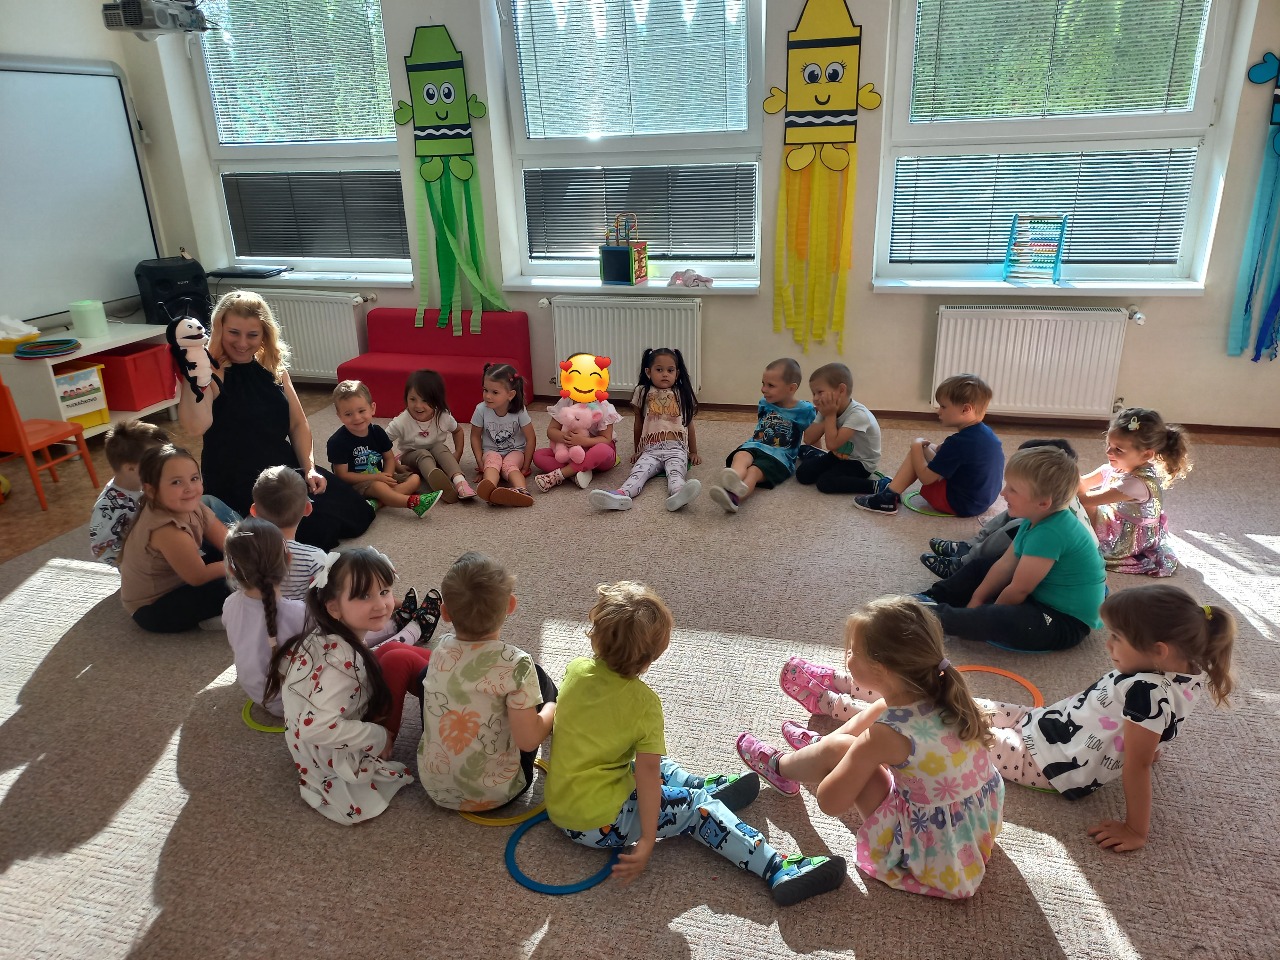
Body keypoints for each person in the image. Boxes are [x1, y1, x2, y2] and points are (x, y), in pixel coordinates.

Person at [787, 585, 1235, 854]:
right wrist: (1147, 745)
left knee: (928, 715)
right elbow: (1157, 729)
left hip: (1047, 763)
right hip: (1050, 724)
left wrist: (1136, 828)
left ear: (1158, 651)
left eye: (1116, 638)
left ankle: (831, 701)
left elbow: (1138, 763)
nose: (1108, 644)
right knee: (951, 696)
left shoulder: (1147, 692)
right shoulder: (1185, 671)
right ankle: (845, 683)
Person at [544, 581, 846, 906]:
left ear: (595, 634)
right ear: (650, 658)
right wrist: (647, 838)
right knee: (695, 806)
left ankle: (695, 783)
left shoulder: (575, 670)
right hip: (601, 822)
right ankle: (775, 868)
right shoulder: (644, 705)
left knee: (643, 758)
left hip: (560, 806)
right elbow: (647, 776)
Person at [739, 596, 1005, 900]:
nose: (847, 656)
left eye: (853, 651)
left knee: (842, 748)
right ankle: (816, 750)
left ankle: (781, 768)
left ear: (880, 669)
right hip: (973, 825)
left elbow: (829, 802)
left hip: (931, 853)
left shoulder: (884, 736)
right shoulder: (943, 693)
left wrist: (846, 758)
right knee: (867, 721)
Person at [178, 290, 374, 551]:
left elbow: (298, 424)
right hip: (235, 476)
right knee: (305, 532)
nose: (242, 343)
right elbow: (195, 426)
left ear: (264, 334)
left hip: (281, 466)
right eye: (234, 332)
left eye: (252, 335)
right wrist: (192, 378)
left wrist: (309, 468)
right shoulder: (210, 372)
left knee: (354, 511)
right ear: (219, 328)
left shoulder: (273, 367)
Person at [263, 548, 433, 825]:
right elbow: (315, 727)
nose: (381, 605)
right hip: (333, 755)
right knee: (396, 658)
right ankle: (458, 670)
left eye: (384, 591)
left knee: (392, 651)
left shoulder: (328, 637)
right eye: (364, 596)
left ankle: (454, 661)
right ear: (334, 607)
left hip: (322, 735)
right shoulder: (339, 664)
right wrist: (378, 736)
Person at [222, 519, 433, 717]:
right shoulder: (300, 613)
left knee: (357, 630)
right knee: (378, 651)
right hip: (303, 700)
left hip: (261, 695)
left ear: (232, 569)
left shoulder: (229, 605)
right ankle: (412, 628)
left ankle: (400, 624)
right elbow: (347, 644)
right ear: (288, 559)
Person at [918, 446, 1106, 653]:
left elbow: (1019, 589)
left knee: (1000, 617)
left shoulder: (1051, 533)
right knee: (981, 566)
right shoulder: (1035, 518)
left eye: (1013, 490)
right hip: (1039, 592)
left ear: (1043, 503)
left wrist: (984, 615)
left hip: (1064, 620)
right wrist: (976, 600)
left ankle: (924, 617)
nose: (1003, 492)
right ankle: (930, 598)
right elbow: (1004, 566)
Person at [417, 552, 558, 811]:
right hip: (499, 793)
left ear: (445, 613)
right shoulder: (517, 663)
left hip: (436, 786)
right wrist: (551, 709)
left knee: (425, 676)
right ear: (511, 605)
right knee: (538, 678)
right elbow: (528, 742)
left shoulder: (441, 648)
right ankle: (553, 699)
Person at [920, 439, 1090, 578]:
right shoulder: (1055, 494)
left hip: (1055, 567)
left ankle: (962, 564)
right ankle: (970, 545)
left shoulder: (1057, 513)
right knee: (1011, 512)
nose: (1003, 492)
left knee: (1015, 527)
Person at [854, 373, 1003, 517]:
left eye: (944, 406)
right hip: (982, 501)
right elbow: (955, 457)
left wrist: (915, 447)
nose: (939, 411)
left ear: (965, 409)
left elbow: (926, 478)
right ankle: (892, 491)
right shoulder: (986, 434)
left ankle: (887, 497)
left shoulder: (957, 443)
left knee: (917, 451)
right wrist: (930, 448)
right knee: (927, 447)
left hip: (959, 504)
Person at [90, 419, 237, 565]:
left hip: (177, 532)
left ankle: (242, 545)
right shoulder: (108, 507)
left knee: (206, 503)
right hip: (153, 559)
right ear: (130, 468)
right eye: (157, 461)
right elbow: (101, 550)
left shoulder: (153, 480)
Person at [117, 444, 231, 633]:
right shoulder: (167, 530)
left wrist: (250, 556)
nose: (189, 488)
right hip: (154, 609)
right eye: (176, 482)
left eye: (194, 478)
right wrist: (241, 567)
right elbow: (198, 576)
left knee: (232, 560)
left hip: (181, 581)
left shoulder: (193, 505)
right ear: (151, 490)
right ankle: (219, 616)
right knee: (232, 583)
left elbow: (229, 543)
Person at [1078, 407, 1192, 577]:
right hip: (1118, 518)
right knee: (1073, 489)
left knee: (1084, 506)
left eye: (1118, 449)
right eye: (1109, 444)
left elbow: (1084, 500)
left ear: (1146, 455)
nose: (1109, 452)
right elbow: (1083, 482)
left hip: (1127, 539)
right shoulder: (1116, 467)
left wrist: (1066, 481)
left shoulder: (1135, 484)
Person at [588, 347, 702, 512]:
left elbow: (688, 423)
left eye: (670, 370)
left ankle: (678, 494)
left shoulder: (681, 393)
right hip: (650, 449)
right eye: (659, 370)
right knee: (637, 473)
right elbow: (638, 423)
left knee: (676, 473)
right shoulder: (642, 392)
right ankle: (621, 494)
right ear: (648, 372)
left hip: (676, 448)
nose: (665, 374)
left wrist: (693, 451)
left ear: (677, 373)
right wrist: (638, 450)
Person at [708, 358, 817, 514]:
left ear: (791, 388)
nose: (763, 389)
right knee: (741, 455)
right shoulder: (764, 403)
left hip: (780, 457)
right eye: (763, 383)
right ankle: (734, 477)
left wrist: (815, 458)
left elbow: (813, 436)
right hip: (755, 445)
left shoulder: (804, 410)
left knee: (754, 471)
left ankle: (734, 498)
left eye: (770, 385)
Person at [326, 379, 441, 518]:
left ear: (372, 408)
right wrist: (378, 478)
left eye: (361, 411)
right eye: (348, 414)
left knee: (415, 479)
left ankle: (378, 503)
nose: (356, 418)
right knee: (378, 487)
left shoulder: (377, 432)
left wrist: (388, 475)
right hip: (354, 485)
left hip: (379, 476)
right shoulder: (337, 442)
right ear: (339, 416)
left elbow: (389, 458)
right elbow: (342, 476)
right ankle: (413, 503)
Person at [534, 352, 623, 493]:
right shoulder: (565, 402)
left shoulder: (603, 406)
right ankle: (580, 471)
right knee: (538, 456)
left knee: (603, 450)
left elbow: (606, 439)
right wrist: (567, 438)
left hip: (597, 451)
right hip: (571, 451)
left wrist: (583, 441)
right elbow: (551, 431)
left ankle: (560, 475)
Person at [387, 368, 475, 503]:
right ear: (406, 398)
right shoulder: (401, 421)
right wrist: (397, 467)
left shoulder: (443, 416)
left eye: (425, 400)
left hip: (436, 456)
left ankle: (460, 482)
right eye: (412, 399)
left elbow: (458, 431)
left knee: (440, 447)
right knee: (423, 453)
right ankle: (439, 484)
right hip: (412, 457)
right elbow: (382, 442)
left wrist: (458, 453)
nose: (418, 406)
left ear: (436, 400)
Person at [795, 362, 881, 495]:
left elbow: (832, 444)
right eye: (813, 393)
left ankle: (878, 486)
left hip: (861, 463)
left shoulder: (858, 415)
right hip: (838, 456)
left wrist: (830, 415)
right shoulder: (826, 409)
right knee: (803, 473)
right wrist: (826, 414)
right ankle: (816, 455)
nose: (815, 398)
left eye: (820, 392)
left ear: (841, 390)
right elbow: (809, 439)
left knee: (825, 482)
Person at [250, 465, 325, 600]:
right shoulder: (315, 558)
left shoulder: (244, 556)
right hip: (303, 614)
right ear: (307, 509)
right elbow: (329, 595)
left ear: (254, 512)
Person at [469, 363, 536, 507]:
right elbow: (475, 436)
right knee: (492, 463)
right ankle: (490, 490)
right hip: (491, 450)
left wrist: (526, 466)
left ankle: (522, 491)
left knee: (509, 466)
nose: (487, 396)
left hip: (515, 450)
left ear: (510, 395)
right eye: (485, 390)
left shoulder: (520, 410)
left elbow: (531, 438)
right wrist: (480, 463)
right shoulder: (481, 410)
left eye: (495, 392)